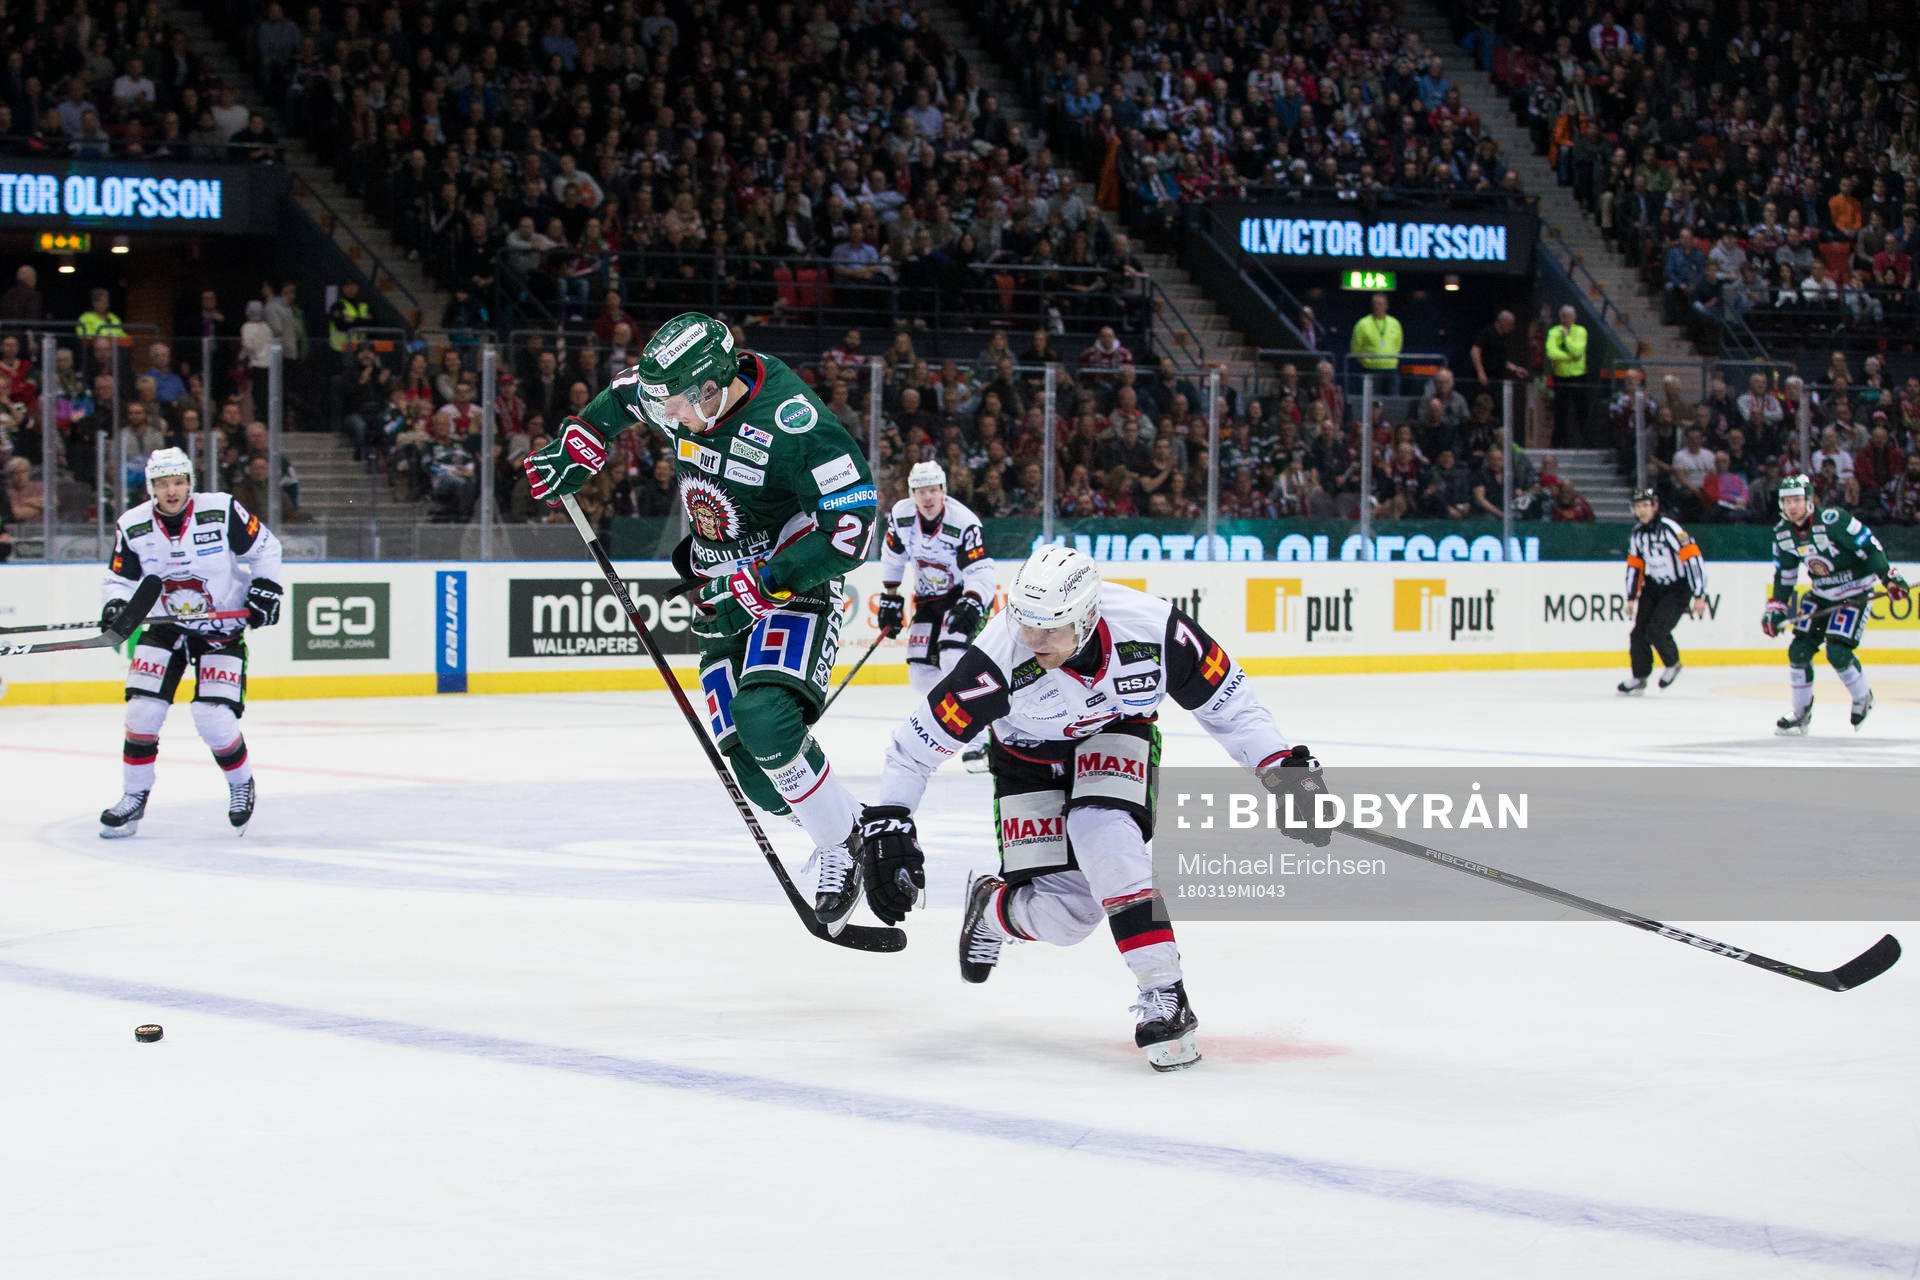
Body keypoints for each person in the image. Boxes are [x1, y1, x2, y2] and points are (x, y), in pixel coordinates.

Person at [856, 546, 1329, 1071]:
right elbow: (913, 746)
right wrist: (890, 821)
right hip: (1024, 760)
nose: (1032, 640)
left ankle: (1163, 992)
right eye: (1025, 622)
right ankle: (991, 908)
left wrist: (1282, 768)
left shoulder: (1155, 630)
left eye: (1049, 629)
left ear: (1086, 617)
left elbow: (1231, 706)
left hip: (1116, 734)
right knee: (1066, 917)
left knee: (1104, 830)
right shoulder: (994, 661)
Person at [520, 312, 879, 933]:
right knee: (762, 784)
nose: (669, 419)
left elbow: (853, 530)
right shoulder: (680, 393)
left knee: (766, 720)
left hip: (788, 587)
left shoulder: (794, 424)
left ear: (712, 387)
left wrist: (765, 582)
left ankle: (838, 848)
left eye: (679, 406)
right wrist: (581, 444)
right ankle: (857, 828)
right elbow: (622, 399)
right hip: (717, 596)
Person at [97, 448, 284, 838]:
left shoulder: (220, 509)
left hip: (220, 628)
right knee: (142, 713)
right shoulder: (133, 524)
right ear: (151, 488)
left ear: (189, 483)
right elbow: (119, 578)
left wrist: (266, 588)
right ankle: (134, 797)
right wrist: (116, 604)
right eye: (163, 484)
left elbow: (265, 548)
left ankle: (240, 785)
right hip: (166, 626)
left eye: (178, 482)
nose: (171, 491)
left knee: (213, 717)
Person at [875, 461, 998, 771]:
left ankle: (980, 739)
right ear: (912, 493)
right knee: (919, 675)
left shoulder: (964, 522)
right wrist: (890, 599)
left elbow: (981, 571)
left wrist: (972, 603)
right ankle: (962, 715)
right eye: (920, 491)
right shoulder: (902, 516)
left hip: (963, 597)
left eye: (933, 490)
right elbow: (892, 557)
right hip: (929, 600)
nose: (927, 497)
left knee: (952, 658)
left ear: (944, 491)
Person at [1763, 474, 1909, 734]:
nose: (1792, 506)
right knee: (1798, 650)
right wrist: (1776, 608)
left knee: (1838, 652)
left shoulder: (1834, 520)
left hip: (1855, 593)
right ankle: (1800, 713)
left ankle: (1863, 697)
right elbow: (1785, 576)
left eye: (1797, 500)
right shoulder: (1783, 534)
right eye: (1787, 501)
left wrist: (1889, 578)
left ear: (1810, 501)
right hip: (1821, 595)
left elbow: (1870, 548)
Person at [1618, 488, 1707, 695]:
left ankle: (1673, 663)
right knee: (1638, 632)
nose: (1642, 510)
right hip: (1654, 586)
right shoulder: (1638, 534)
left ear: (1655, 506)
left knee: (1657, 629)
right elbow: (1635, 566)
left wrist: (1699, 594)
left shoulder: (1670, 529)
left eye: (1645, 505)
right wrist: (1631, 596)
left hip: (1677, 588)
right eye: (1638, 506)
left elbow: (1693, 559)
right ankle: (1639, 676)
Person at [1544, 305, 1588, 446]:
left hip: (1578, 377)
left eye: (1569, 316)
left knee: (1581, 412)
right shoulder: (1553, 332)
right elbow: (1551, 353)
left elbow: (1577, 351)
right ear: (1560, 317)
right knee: (1560, 413)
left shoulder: (1581, 331)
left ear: (1574, 317)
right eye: (1564, 316)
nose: (1566, 319)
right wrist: (1570, 357)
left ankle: (1585, 443)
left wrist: (1566, 337)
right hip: (1560, 377)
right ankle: (1557, 444)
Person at [1347, 293, 1403, 395]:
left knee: (1393, 402)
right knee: (1372, 403)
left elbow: (1398, 345)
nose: (1378, 307)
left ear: (1387, 306)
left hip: (1391, 370)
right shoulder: (1362, 324)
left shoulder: (1395, 323)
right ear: (1372, 306)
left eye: (1381, 304)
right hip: (1371, 370)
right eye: (1376, 304)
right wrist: (1367, 361)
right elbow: (1355, 348)